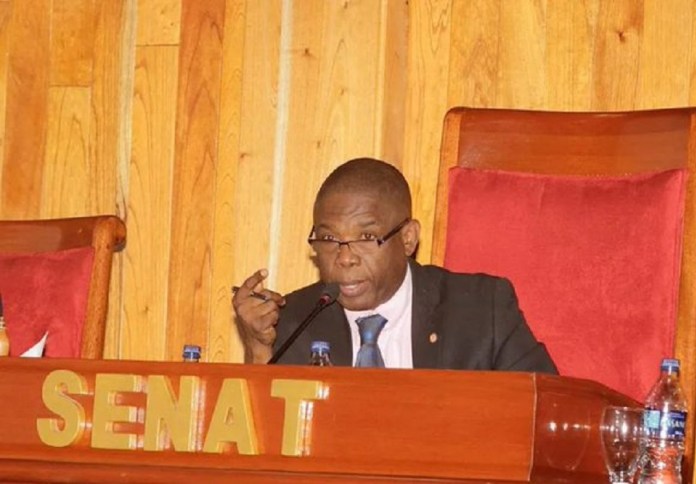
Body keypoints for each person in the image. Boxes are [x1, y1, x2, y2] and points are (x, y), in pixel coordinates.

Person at [233, 157, 557, 373]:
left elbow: (545, 411)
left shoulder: (481, 309)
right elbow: (264, 446)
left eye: (366, 236)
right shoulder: (293, 322)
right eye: (329, 239)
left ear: (407, 238)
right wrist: (260, 350)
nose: (345, 257)